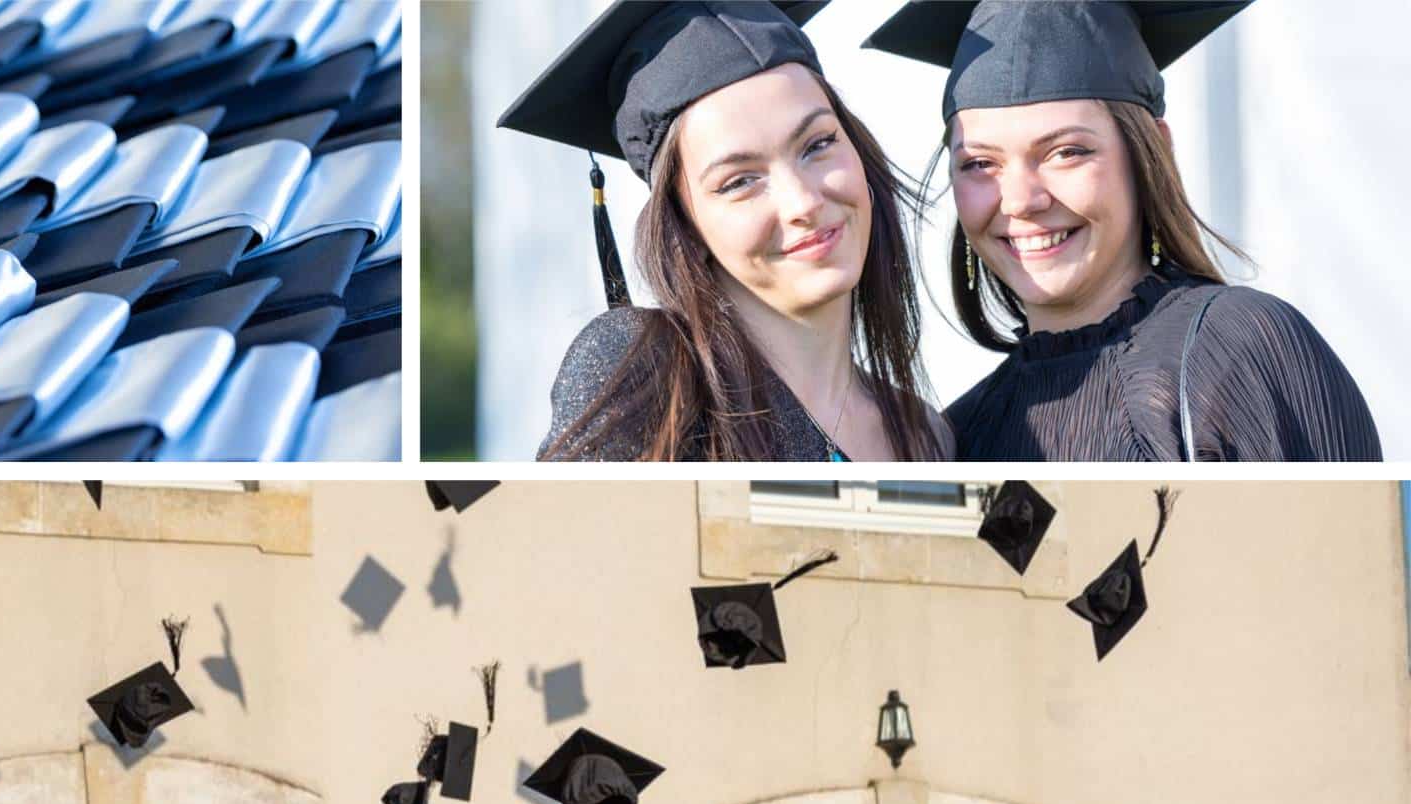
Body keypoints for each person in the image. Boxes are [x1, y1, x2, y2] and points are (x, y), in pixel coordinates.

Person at [868, 0, 1382, 461]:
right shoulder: (960, 435)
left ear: (1149, 152)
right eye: (980, 163)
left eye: (1067, 152)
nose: (1022, 200)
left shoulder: (1241, 349)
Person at [503, 1, 945, 461]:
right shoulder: (651, 383)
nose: (803, 202)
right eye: (740, 181)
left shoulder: (927, 436)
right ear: (685, 227)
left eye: (818, 144)